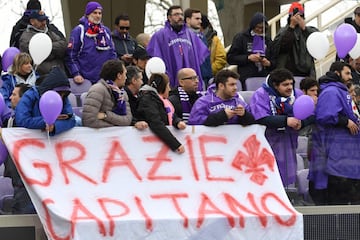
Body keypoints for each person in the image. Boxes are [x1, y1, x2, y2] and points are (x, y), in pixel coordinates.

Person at [309, 61, 360, 205]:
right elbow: (325, 115)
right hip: (337, 157)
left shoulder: (341, 90)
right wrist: (345, 122)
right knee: (339, 202)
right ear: (337, 73)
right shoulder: (331, 91)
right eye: (347, 73)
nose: (350, 76)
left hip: (348, 156)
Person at [249, 68, 305, 187]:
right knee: (270, 178)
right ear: (275, 85)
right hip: (269, 143)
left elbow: (309, 114)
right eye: (285, 84)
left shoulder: (297, 94)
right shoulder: (261, 95)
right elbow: (261, 118)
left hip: (289, 142)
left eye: (291, 83)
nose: (290, 87)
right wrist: (286, 121)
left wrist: (301, 122)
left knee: (288, 177)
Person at [146, 5, 209, 91]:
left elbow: (200, 55)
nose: (180, 17)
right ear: (169, 17)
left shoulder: (190, 35)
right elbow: (155, 56)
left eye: (181, 14)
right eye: (176, 14)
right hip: (171, 81)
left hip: (190, 81)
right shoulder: (160, 35)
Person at [65, 1, 117, 84]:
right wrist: (76, 73)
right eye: (95, 13)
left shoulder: (106, 31)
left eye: (100, 13)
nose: (98, 16)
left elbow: (112, 53)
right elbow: (71, 56)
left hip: (106, 81)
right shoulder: (79, 31)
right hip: (86, 81)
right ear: (88, 14)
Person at [15, 66, 76, 135]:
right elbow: (21, 120)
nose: (61, 97)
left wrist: (55, 126)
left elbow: (71, 119)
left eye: (63, 94)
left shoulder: (64, 98)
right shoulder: (30, 95)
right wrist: (45, 122)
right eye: (58, 93)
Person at [136, 73, 186, 153]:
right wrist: (175, 144)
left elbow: (169, 115)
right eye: (168, 86)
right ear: (162, 87)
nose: (169, 89)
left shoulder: (162, 100)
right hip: (151, 148)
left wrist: (177, 122)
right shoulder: (148, 100)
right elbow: (156, 123)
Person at [3, 83, 32, 214]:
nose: (10, 97)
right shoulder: (10, 120)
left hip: (27, 179)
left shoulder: (31, 121)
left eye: (14, 94)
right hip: (16, 177)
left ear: (24, 99)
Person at [188, 69, 255, 126]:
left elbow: (254, 123)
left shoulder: (239, 102)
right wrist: (222, 116)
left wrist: (244, 115)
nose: (235, 88)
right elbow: (195, 123)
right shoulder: (203, 102)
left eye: (236, 84)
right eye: (232, 85)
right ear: (221, 86)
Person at [227, 12, 275, 90]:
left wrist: (268, 63)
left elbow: (274, 60)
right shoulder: (241, 38)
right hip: (246, 77)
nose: (260, 30)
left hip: (264, 77)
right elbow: (230, 58)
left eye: (263, 28)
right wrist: (248, 58)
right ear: (253, 26)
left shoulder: (268, 40)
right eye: (258, 27)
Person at [82, 59, 132, 128]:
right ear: (119, 75)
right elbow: (89, 121)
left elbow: (127, 120)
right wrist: (116, 126)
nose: (126, 77)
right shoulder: (98, 90)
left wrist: (106, 115)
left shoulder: (123, 94)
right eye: (125, 74)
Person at [272, 2, 318, 78]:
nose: (297, 18)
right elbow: (282, 47)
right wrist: (291, 27)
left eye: (300, 16)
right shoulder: (283, 31)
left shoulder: (309, 31)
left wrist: (304, 29)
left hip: (307, 74)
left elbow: (316, 42)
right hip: (287, 72)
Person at [19, 10, 67, 75]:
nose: (44, 23)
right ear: (32, 21)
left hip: (60, 74)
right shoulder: (26, 37)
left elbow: (63, 46)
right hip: (41, 79)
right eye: (40, 20)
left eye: (45, 20)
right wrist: (54, 53)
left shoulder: (50, 32)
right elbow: (32, 55)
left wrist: (48, 47)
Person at [184, 8, 213, 87]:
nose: (200, 21)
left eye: (200, 19)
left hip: (206, 77)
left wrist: (210, 75)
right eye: (197, 19)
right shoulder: (184, 37)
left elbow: (206, 58)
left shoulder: (202, 36)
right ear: (188, 20)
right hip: (193, 78)